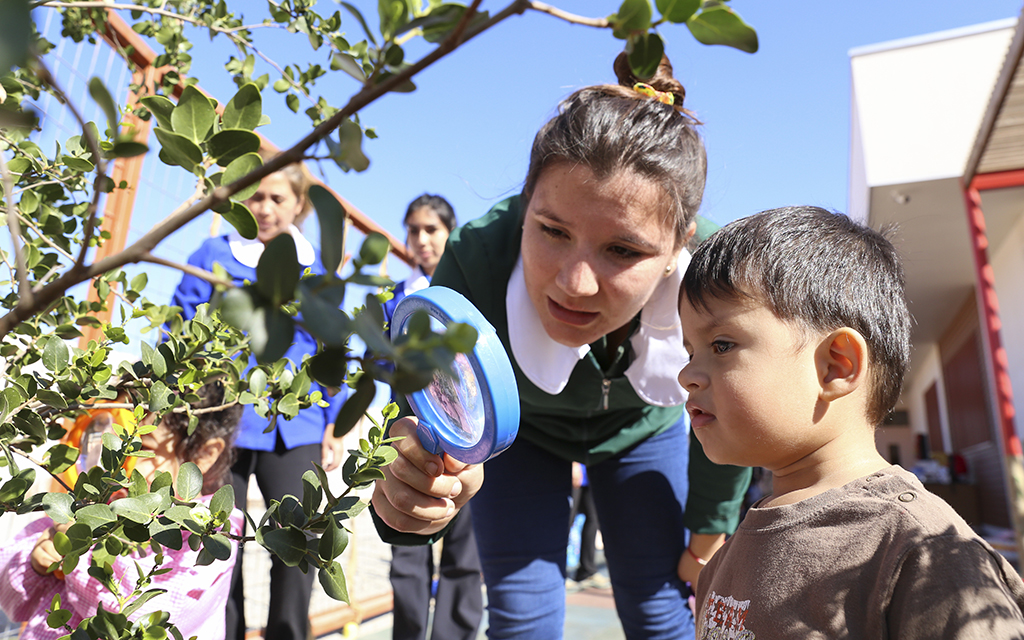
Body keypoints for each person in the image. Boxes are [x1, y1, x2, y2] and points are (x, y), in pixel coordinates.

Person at [371, 53, 751, 639]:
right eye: (552, 232)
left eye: (623, 251)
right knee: (522, 617)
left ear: (679, 244)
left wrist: (706, 536)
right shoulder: (476, 257)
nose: (575, 284)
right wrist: (421, 476)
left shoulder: (712, 283)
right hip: (519, 440)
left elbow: (725, 417)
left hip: (641, 433)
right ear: (526, 207)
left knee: (660, 607)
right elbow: (423, 408)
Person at [678, 206, 1024, 639]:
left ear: (836, 366)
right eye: (689, 351)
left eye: (722, 344)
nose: (686, 375)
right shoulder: (726, 561)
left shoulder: (922, 552)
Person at [170, 153, 348, 640]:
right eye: (255, 195)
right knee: (214, 545)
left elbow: (332, 351)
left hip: (296, 427)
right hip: (216, 420)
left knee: (299, 545)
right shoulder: (211, 254)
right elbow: (179, 326)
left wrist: (334, 422)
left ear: (298, 205)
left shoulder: (317, 271)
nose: (264, 207)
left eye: (276, 197)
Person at [0, 379, 244, 640]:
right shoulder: (85, 507)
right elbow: (11, 602)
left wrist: (79, 556)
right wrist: (35, 562)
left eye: (144, 449)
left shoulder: (209, 536)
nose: (119, 467)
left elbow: (146, 615)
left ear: (204, 455)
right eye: (113, 447)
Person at [384, 195, 484, 640]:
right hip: (412, 438)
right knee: (406, 547)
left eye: (432, 230)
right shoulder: (395, 300)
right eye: (413, 231)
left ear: (450, 233)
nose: (421, 240)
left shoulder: (474, 296)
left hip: (470, 438)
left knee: (466, 553)